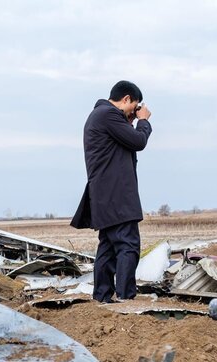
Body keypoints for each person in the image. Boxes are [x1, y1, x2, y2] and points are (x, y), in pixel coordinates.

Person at [71, 80, 152, 303]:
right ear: (126, 99)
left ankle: (102, 297)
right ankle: (126, 297)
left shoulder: (99, 115)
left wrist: (130, 120)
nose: (134, 113)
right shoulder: (108, 115)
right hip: (117, 196)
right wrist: (143, 121)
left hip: (104, 196)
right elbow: (138, 141)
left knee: (107, 249)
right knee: (128, 245)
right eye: (133, 106)